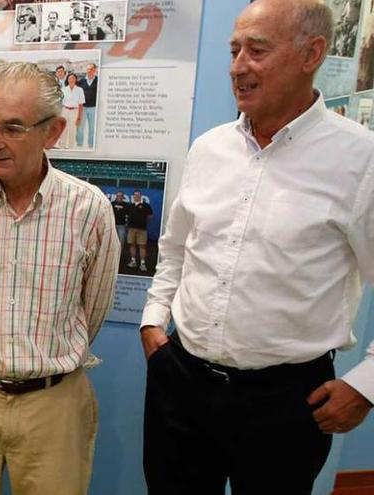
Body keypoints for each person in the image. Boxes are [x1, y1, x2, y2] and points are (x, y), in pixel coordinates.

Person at [140, 1, 374, 493]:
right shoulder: (209, 148)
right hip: (181, 383)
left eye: (257, 50)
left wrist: (367, 384)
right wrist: (153, 320)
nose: (237, 66)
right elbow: (177, 248)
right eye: (233, 50)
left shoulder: (361, 160)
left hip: (285, 403)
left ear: (312, 53)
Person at [0, 61, 119, 495]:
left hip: (55, 404)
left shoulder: (88, 211)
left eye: (13, 128)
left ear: (52, 132)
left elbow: (94, 308)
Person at [126, 190, 153, 272]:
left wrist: (142, 222)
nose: (136, 196)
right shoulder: (130, 206)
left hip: (142, 229)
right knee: (132, 245)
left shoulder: (146, 205)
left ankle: (142, 263)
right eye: (135, 195)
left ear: (141, 196)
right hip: (131, 229)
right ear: (133, 197)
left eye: (138, 195)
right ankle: (133, 261)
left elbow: (150, 216)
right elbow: (127, 215)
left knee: (142, 246)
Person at [60, 72, 85, 148]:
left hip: (74, 111)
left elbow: (81, 105)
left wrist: (79, 117)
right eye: (69, 78)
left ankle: (70, 148)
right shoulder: (63, 90)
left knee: (73, 131)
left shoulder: (80, 90)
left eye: (73, 78)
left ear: (76, 80)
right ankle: (62, 147)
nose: (71, 80)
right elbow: (60, 103)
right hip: (64, 110)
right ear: (67, 80)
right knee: (63, 130)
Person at [78, 63, 98, 148]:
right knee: (80, 127)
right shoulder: (81, 81)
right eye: (88, 69)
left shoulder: (98, 80)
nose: (89, 71)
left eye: (91, 69)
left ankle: (91, 144)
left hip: (93, 108)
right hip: (83, 108)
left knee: (92, 128)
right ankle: (79, 143)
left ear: (95, 70)